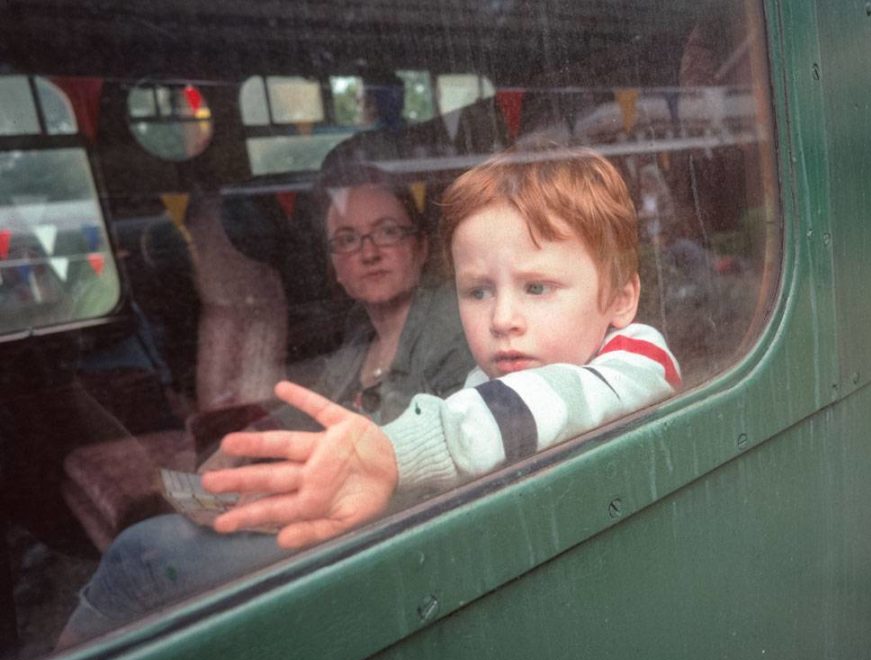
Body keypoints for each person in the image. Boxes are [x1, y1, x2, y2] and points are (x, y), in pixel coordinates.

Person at [57, 145, 473, 646]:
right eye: (347, 239)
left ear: (422, 246)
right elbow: (294, 416)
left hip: (379, 541)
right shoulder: (357, 342)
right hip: (324, 517)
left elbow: (442, 472)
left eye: (388, 231)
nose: (368, 251)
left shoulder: (453, 327)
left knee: (140, 554)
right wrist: (232, 455)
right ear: (335, 269)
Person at [203, 146, 682, 548]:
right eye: (478, 292)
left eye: (537, 288)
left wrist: (396, 453)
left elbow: (547, 400)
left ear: (620, 298)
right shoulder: (484, 382)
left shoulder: (637, 361)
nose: (502, 320)